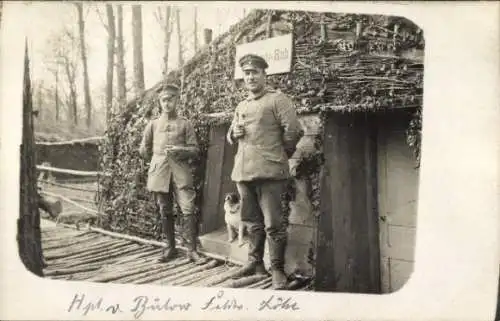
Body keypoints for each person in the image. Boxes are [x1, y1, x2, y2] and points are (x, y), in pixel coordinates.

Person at [226, 54, 304, 290]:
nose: (250, 77)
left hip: (270, 172)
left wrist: (280, 157)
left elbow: (294, 131)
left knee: (274, 224)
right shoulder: (242, 105)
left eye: (255, 72)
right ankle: (255, 263)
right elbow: (231, 135)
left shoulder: (277, 100)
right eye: (246, 74)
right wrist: (234, 134)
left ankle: (277, 269)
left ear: (264, 75)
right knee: (251, 221)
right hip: (243, 172)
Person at [139, 84, 208, 265]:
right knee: (164, 209)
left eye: (171, 99)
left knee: (188, 208)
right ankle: (169, 248)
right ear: (159, 102)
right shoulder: (152, 125)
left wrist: (181, 150)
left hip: (181, 172)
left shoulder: (185, 124)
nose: (167, 103)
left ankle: (191, 250)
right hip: (159, 173)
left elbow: (195, 150)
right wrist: (156, 162)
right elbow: (144, 150)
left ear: (177, 100)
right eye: (164, 100)